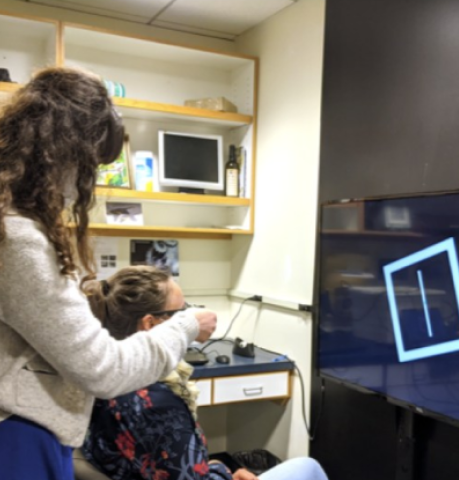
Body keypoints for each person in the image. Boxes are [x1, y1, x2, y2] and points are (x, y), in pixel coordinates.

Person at [0, 66, 217, 480]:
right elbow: (103, 368)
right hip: (17, 438)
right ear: (62, 154)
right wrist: (186, 325)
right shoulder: (18, 238)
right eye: (89, 166)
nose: (90, 181)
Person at [82, 266, 329, 480]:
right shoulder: (157, 405)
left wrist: (213, 467)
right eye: (183, 312)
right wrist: (223, 471)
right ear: (151, 323)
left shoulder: (103, 375)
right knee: (307, 467)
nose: (191, 317)